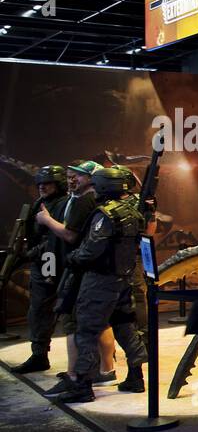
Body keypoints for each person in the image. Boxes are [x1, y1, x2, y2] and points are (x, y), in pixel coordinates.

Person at [49, 166, 148, 403]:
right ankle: (136, 376)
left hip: (99, 282)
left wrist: (72, 258)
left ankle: (83, 385)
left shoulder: (106, 214)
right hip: (122, 279)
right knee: (125, 327)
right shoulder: (134, 212)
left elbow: (91, 251)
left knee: (86, 331)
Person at [35, 161, 115, 388]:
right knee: (97, 320)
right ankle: (105, 370)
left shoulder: (85, 201)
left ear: (92, 178)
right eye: (70, 175)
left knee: (72, 320)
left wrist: (47, 220)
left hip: (80, 268)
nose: (72, 179)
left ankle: (75, 376)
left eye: (78, 176)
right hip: (83, 267)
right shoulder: (87, 199)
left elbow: (70, 236)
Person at [13, 165, 68, 374]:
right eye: (40, 183)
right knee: (37, 310)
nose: (42, 187)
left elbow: (57, 237)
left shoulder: (64, 204)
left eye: (48, 183)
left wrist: (32, 253)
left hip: (54, 260)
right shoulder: (41, 202)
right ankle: (39, 354)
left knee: (62, 311)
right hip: (45, 261)